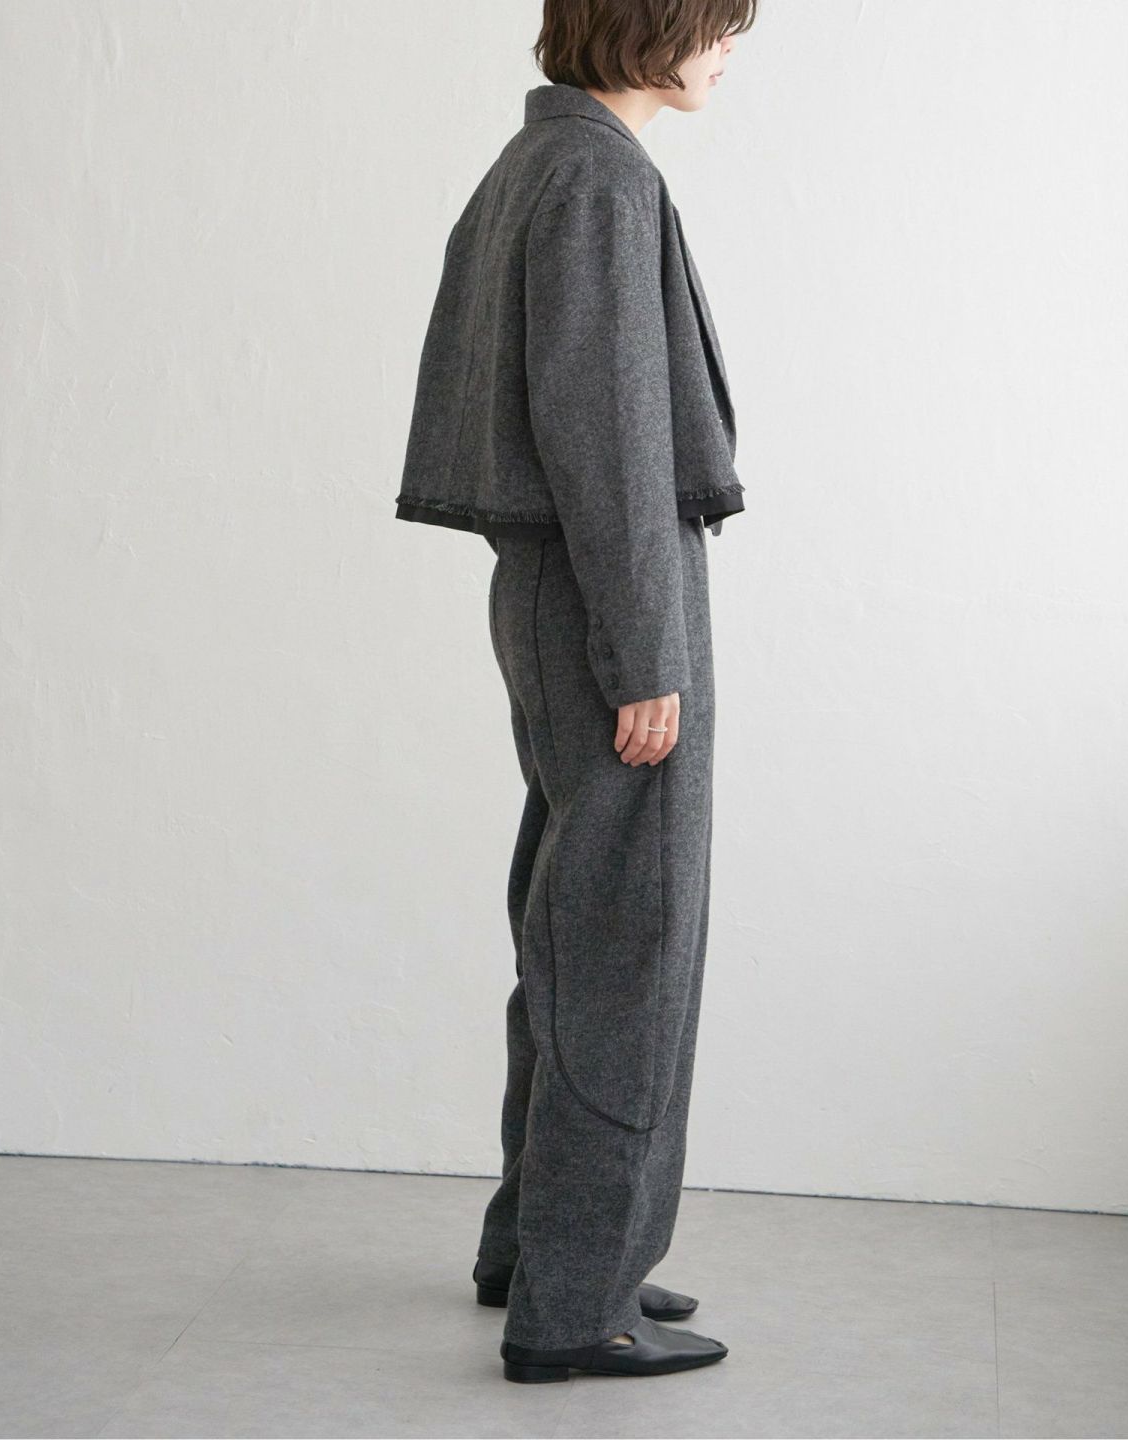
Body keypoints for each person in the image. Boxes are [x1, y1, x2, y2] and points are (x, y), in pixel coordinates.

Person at [396, 0, 756, 1382]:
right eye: (718, 23)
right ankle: (577, 1302)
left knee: (571, 917)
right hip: (609, 588)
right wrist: (646, 653)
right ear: (646, 27)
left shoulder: (541, 159)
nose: (730, 50)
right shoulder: (599, 177)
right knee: (625, 934)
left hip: (561, 585)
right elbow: (605, 435)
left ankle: (539, 1244)